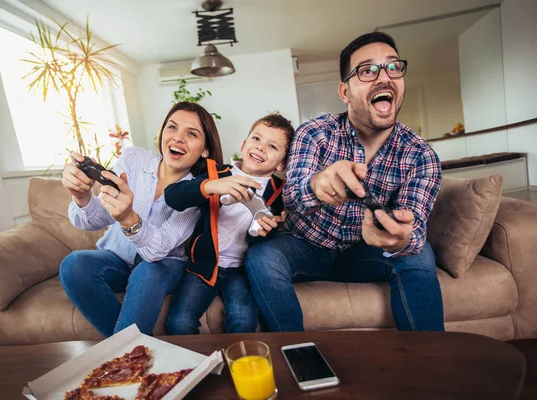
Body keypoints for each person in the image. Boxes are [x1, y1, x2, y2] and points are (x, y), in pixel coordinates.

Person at [245, 32, 444, 332]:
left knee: (420, 254)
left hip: (363, 252)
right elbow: (293, 197)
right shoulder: (314, 132)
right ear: (344, 91)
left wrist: (400, 237)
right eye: (367, 71)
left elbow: (413, 229)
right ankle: (299, 355)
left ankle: (432, 365)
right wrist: (318, 185)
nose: (384, 78)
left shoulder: (421, 156)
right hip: (304, 246)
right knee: (262, 256)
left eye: (392, 67)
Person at [59, 101, 223, 337]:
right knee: (74, 265)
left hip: (163, 266)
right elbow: (94, 221)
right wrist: (82, 196)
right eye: (172, 127)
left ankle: (125, 356)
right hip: (117, 259)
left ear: (205, 149)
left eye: (192, 133)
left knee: (148, 270)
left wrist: (128, 218)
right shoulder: (134, 159)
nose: (177, 138)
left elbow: (156, 252)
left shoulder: (199, 190)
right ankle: (134, 349)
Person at [164, 113, 295, 335]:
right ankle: (198, 368)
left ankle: (238, 365)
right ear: (244, 145)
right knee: (179, 323)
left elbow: (275, 245)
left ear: (282, 162)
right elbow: (173, 196)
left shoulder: (282, 194)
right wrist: (210, 187)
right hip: (203, 266)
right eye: (256, 139)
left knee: (244, 321)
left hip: (242, 271)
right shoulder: (217, 174)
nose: (260, 148)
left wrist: (270, 231)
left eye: (272, 146)